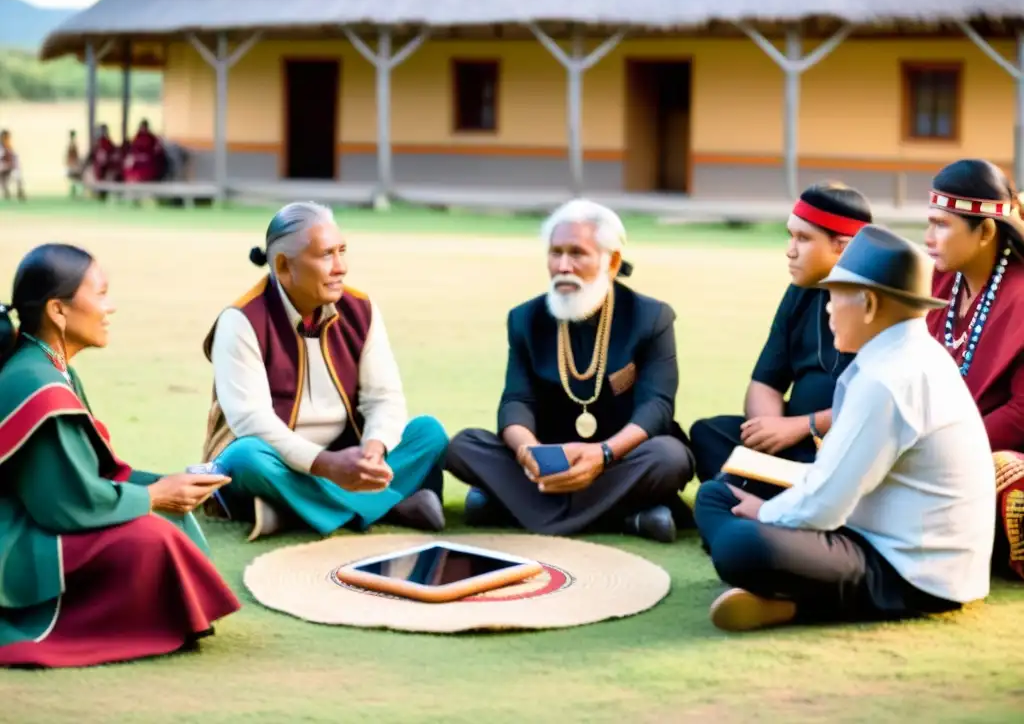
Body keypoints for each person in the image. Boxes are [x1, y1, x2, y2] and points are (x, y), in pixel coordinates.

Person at [694, 225, 995, 632]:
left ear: (869, 304)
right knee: (715, 495)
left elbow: (825, 505)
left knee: (740, 544)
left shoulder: (891, 378)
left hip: (914, 574)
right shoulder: (901, 357)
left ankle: (796, 602)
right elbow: (834, 480)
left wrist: (765, 512)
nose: (829, 309)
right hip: (874, 532)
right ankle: (787, 597)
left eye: (833, 297)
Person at [0, 244, 240, 668]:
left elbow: (87, 474)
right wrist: (156, 495)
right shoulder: (36, 383)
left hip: (44, 513)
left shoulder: (50, 365)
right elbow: (66, 506)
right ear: (59, 310)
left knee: (167, 518)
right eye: (102, 294)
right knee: (153, 537)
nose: (111, 307)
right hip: (13, 539)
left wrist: (161, 486)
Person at [445, 200, 695, 543]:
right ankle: (629, 517)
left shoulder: (651, 317)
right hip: (546, 459)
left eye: (577, 253)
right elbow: (516, 400)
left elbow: (658, 408)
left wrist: (603, 454)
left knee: (670, 458)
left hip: (619, 458)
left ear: (612, 262)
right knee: (463, 446)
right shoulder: (525, 319)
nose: (563, 266)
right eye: (555, 253)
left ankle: (514, 507)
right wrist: (527, 451)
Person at [198, 201, 449, 541]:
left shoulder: (361, 309)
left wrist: (374, 448)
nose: (341, 267)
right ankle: (388, 506)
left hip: (348, 454)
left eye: (342, 251)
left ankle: (293, 510)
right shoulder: (240, 321)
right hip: (277, 461)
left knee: (427, 433)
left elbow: (383, 398)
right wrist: (326, 465)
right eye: (327, 255)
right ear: (285, 266)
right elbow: (252, 422)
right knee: (245, 456)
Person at [689, 182, 873, 484]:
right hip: (791, 444)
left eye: (803, 238)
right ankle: (774, 485)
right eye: (791, 236)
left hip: (844, 445)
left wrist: (802, 427)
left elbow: (876, 407)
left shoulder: (877, 302)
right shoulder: (800, 292)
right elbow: (765, 383)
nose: (790, 251)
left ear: (843, 245)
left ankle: (763, 489)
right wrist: (771, 433)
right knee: (708, 433)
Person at [924, 158, 1024, 580]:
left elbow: (1021, 416)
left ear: (984, 231)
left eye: (942, 225)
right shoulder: (946, 280)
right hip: (940, 451)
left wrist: (938, 454)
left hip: (991, 459)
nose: (928, 239)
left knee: (1007, 474)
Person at [0, 129, 26, 201]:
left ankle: (19, 190)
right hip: (2, 170)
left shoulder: (10, 148)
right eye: (6, 137)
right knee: (4, 183)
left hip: (9, 169)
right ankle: (6, 190)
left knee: (17, 173)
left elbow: (15, 159)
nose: (7, 139)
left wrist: (15, 165)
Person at [66, 129, 83, 197]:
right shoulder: (72, 144)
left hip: (73, 163)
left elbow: (74, 154)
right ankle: (74, 192)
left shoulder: (73, 144)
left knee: (75, 179)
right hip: (72, 163)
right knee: (74, 179)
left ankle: (75, 192)